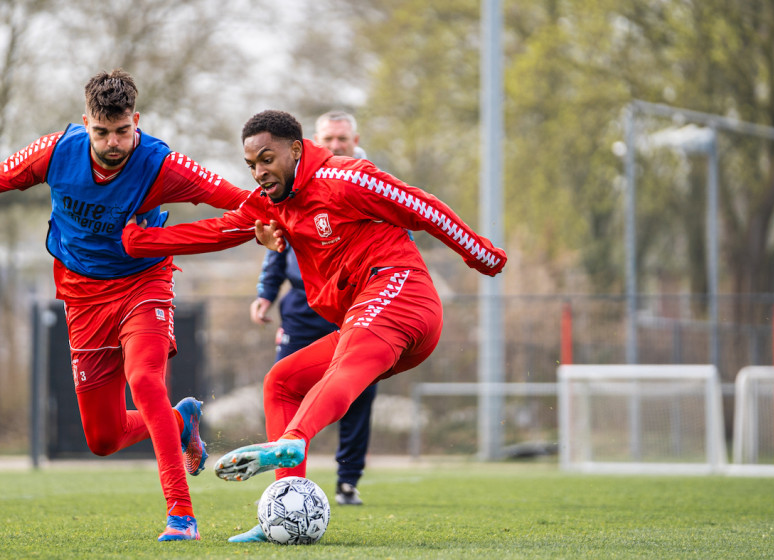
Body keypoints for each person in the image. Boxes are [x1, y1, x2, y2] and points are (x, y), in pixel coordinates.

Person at [0, 69, 250, 542]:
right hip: (82, 296)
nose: (112, 144)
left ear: (136, 122)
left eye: (122, 132)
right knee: (102, 439)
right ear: (85, 123)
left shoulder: (160, 165)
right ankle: (179, 419)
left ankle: (181, 516)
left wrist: (273, 222)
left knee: (145, 381)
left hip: (143, 283)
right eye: (101, 132)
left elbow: (240, 203)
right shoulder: (56, 152)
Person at [122, 110, 506, 542]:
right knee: (281, 382)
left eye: (267, 159)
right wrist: (139, 242)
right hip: (370, 315)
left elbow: (421, 206)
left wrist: (482, 254)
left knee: (346, 357)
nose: (259, 172)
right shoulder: (272, 205)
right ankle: (280, 512)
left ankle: (295, 437)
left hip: (401, 291)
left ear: (297, 149)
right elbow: (216, 231)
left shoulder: (346, 178)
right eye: (251, 165)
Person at [248, 110, 373, 506]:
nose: (335, 146)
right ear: (310, 143)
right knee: (284, 384)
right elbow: (278, 238)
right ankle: (286, 492)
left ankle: (347, 479)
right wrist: (266, 291)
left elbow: (398, 232)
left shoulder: (365, 181)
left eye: (343, 139)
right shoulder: (287, 182)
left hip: (356, 303)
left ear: (354, 141)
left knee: (356, 392)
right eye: (329, 140)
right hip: (303, 307)